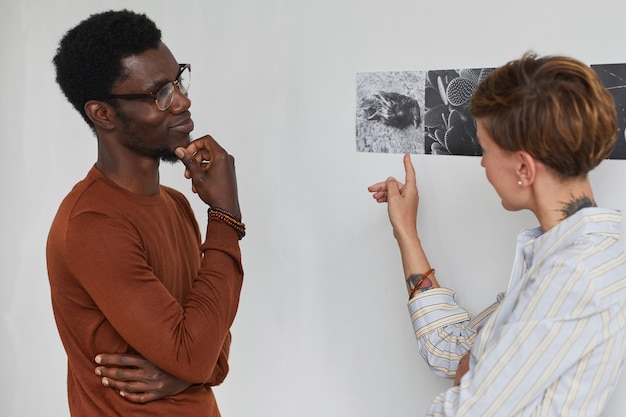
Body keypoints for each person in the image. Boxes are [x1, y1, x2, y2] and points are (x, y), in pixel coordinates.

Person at [368, 52, 626, 416]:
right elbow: (452, 350)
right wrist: (406, 232)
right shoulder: (571, 254)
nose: (484, 164)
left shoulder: (570, 277)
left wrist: (472, 372)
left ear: (523, 167)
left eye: (485, 150)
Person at [46, 9, 244, 416]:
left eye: (179, 80)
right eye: (160, 93)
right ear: (102, 113)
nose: (184, 100)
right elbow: (197, 354)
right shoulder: (93, 224)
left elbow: (214, 346)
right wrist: (225, 215)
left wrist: (193, 368)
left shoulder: (176, 205)